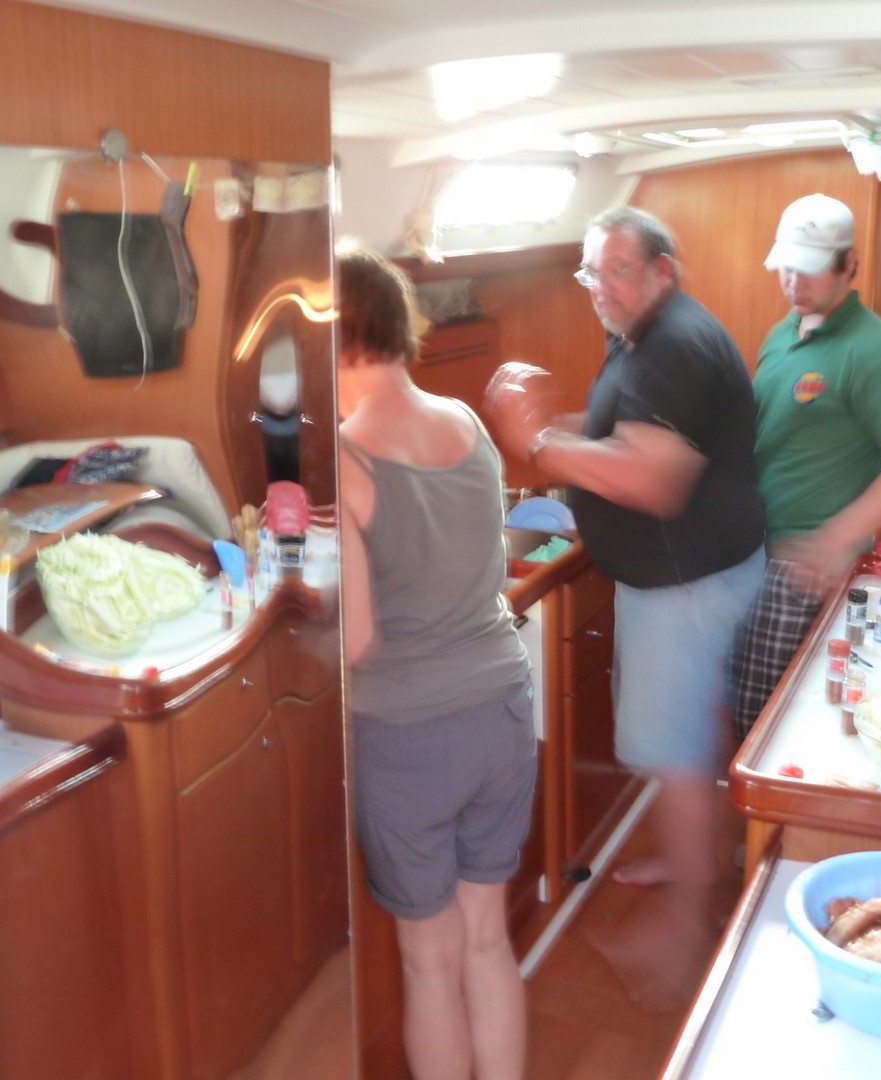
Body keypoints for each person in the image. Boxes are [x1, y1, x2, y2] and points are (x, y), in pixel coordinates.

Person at [486, 206, 765, 1005]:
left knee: (673, 753)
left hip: (686, 585)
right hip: (702, 573)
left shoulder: (673, 344)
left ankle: (684, 936)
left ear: (662, 270)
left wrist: (536, 442)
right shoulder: (647, 331)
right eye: (590, 271)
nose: (600, 288)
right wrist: (552, 427)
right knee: (696, 731)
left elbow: (651, 478)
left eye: (618, 270)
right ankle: (696, 863)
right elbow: (624, 429)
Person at [336, 247, 534, 1080]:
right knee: (486, 940)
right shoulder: (465, 421)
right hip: (502, 709)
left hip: (409, 734)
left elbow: (355, 641)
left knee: (428, 962)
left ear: (339, 339)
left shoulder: (347, 457)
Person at [731, 193, 881, 739]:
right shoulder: (782, 335)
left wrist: (833, 540)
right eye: (787, 267)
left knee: (768, 722)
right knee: (747, 700)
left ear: (849, 264)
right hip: (755, 551)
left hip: (804, 565)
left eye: (811, 269)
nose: (794, 282)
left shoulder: (876, 353)